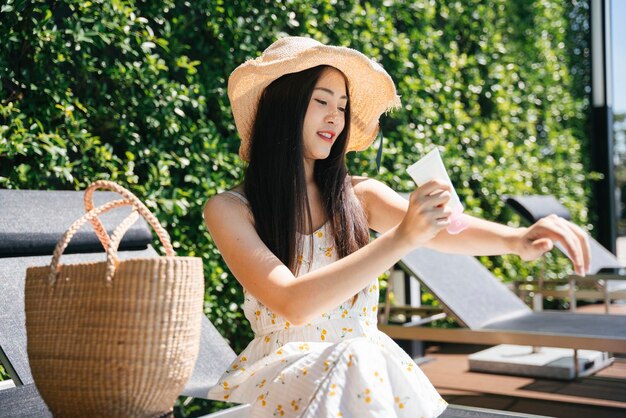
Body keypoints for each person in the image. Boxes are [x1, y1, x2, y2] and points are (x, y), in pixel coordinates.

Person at [203, 36, 591, 418]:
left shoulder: (359, 196)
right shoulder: (231, 209)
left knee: (360, 357)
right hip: (283, 375)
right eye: (321, 101)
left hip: (368, 368)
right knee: (357, 358)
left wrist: (517, 239)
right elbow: (293, 303)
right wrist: (402, 237)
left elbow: (446, 228)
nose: (335, 117)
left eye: (342, 105)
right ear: (282, 106)